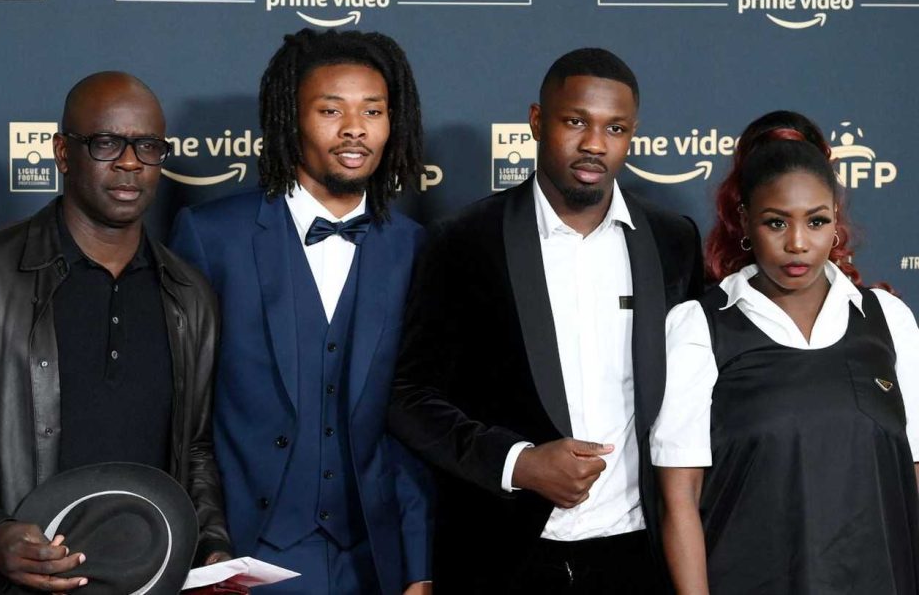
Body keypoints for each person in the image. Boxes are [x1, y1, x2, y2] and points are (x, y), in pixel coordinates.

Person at [0, 71, 231, 593]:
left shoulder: (189, 296)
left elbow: (195, 450)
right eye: (106, 143)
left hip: (145, 579)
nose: (130, 162)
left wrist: (212, 548)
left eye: (148, 146)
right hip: (3, 584)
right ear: (62, 153)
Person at [388, 47, 704, 593]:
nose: (594, 143)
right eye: (576, 121)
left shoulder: (673, 241)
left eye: (615, 128)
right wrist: (519, 463)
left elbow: (693, 401)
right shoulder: (464, 241)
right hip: (500, 556)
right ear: (537, 121)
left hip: (638, 556)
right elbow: (409, 397)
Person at [170, 29, 433, 595]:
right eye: (330, 110)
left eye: (373, 111)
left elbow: (414, 424)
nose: (355, 128)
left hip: (374, 561)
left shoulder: (413, 247)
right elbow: (183, 417)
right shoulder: (212, 237)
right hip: (250, 556)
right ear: (290, 121)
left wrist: (418, 565)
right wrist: (209, 550)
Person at [652, 110, 919, 593]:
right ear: (744, 221)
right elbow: (679, 498)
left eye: (816, 221)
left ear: (835, 220)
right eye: (776, 222)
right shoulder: (700, 326)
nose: (797, 243)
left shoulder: (888, 320)